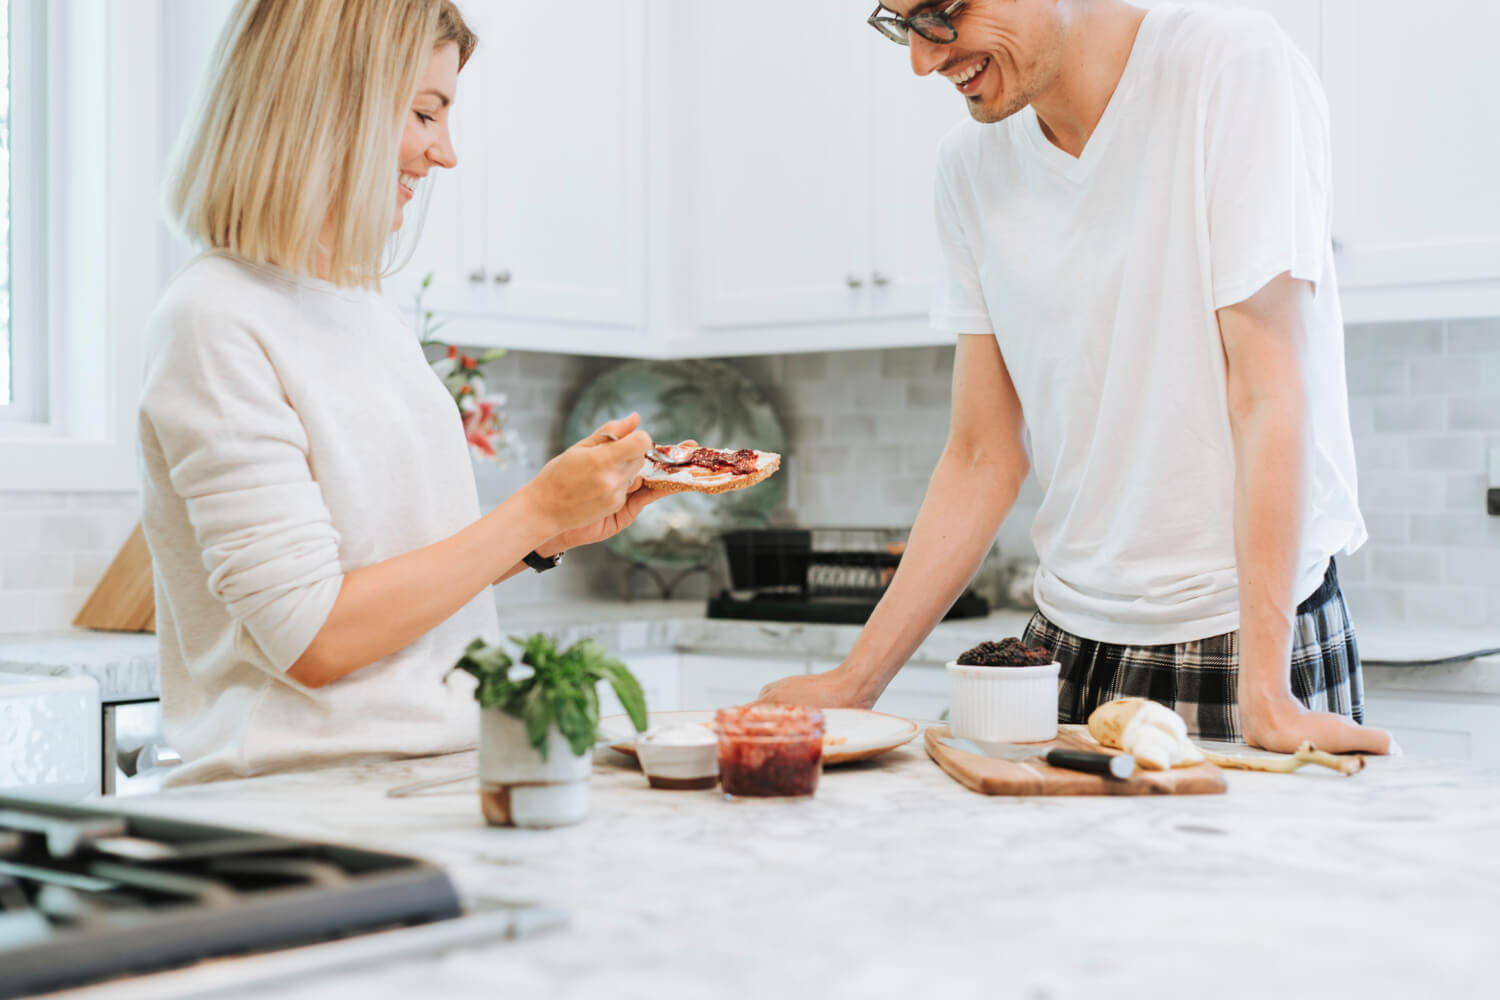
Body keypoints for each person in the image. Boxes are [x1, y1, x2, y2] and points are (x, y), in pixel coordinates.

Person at [762, 0, 1394, 755]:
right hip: (1064, 641)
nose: (924, 60)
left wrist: (1266, 696)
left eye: (940, 12)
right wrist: (854, 682)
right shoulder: (969, 168)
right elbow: (980, 454)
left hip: (1244, 637)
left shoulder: (1227, 64)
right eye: (900, 23)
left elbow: (1267, 397)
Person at [139, 0, 661, 785]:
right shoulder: (213, 316)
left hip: (430, 777)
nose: (443, 153)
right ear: (324, 104)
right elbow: (314, 640)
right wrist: (535, 510)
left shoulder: (366, 310)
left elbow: (397, 577)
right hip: (301, 805)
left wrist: (550, 534)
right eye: (425, 113)